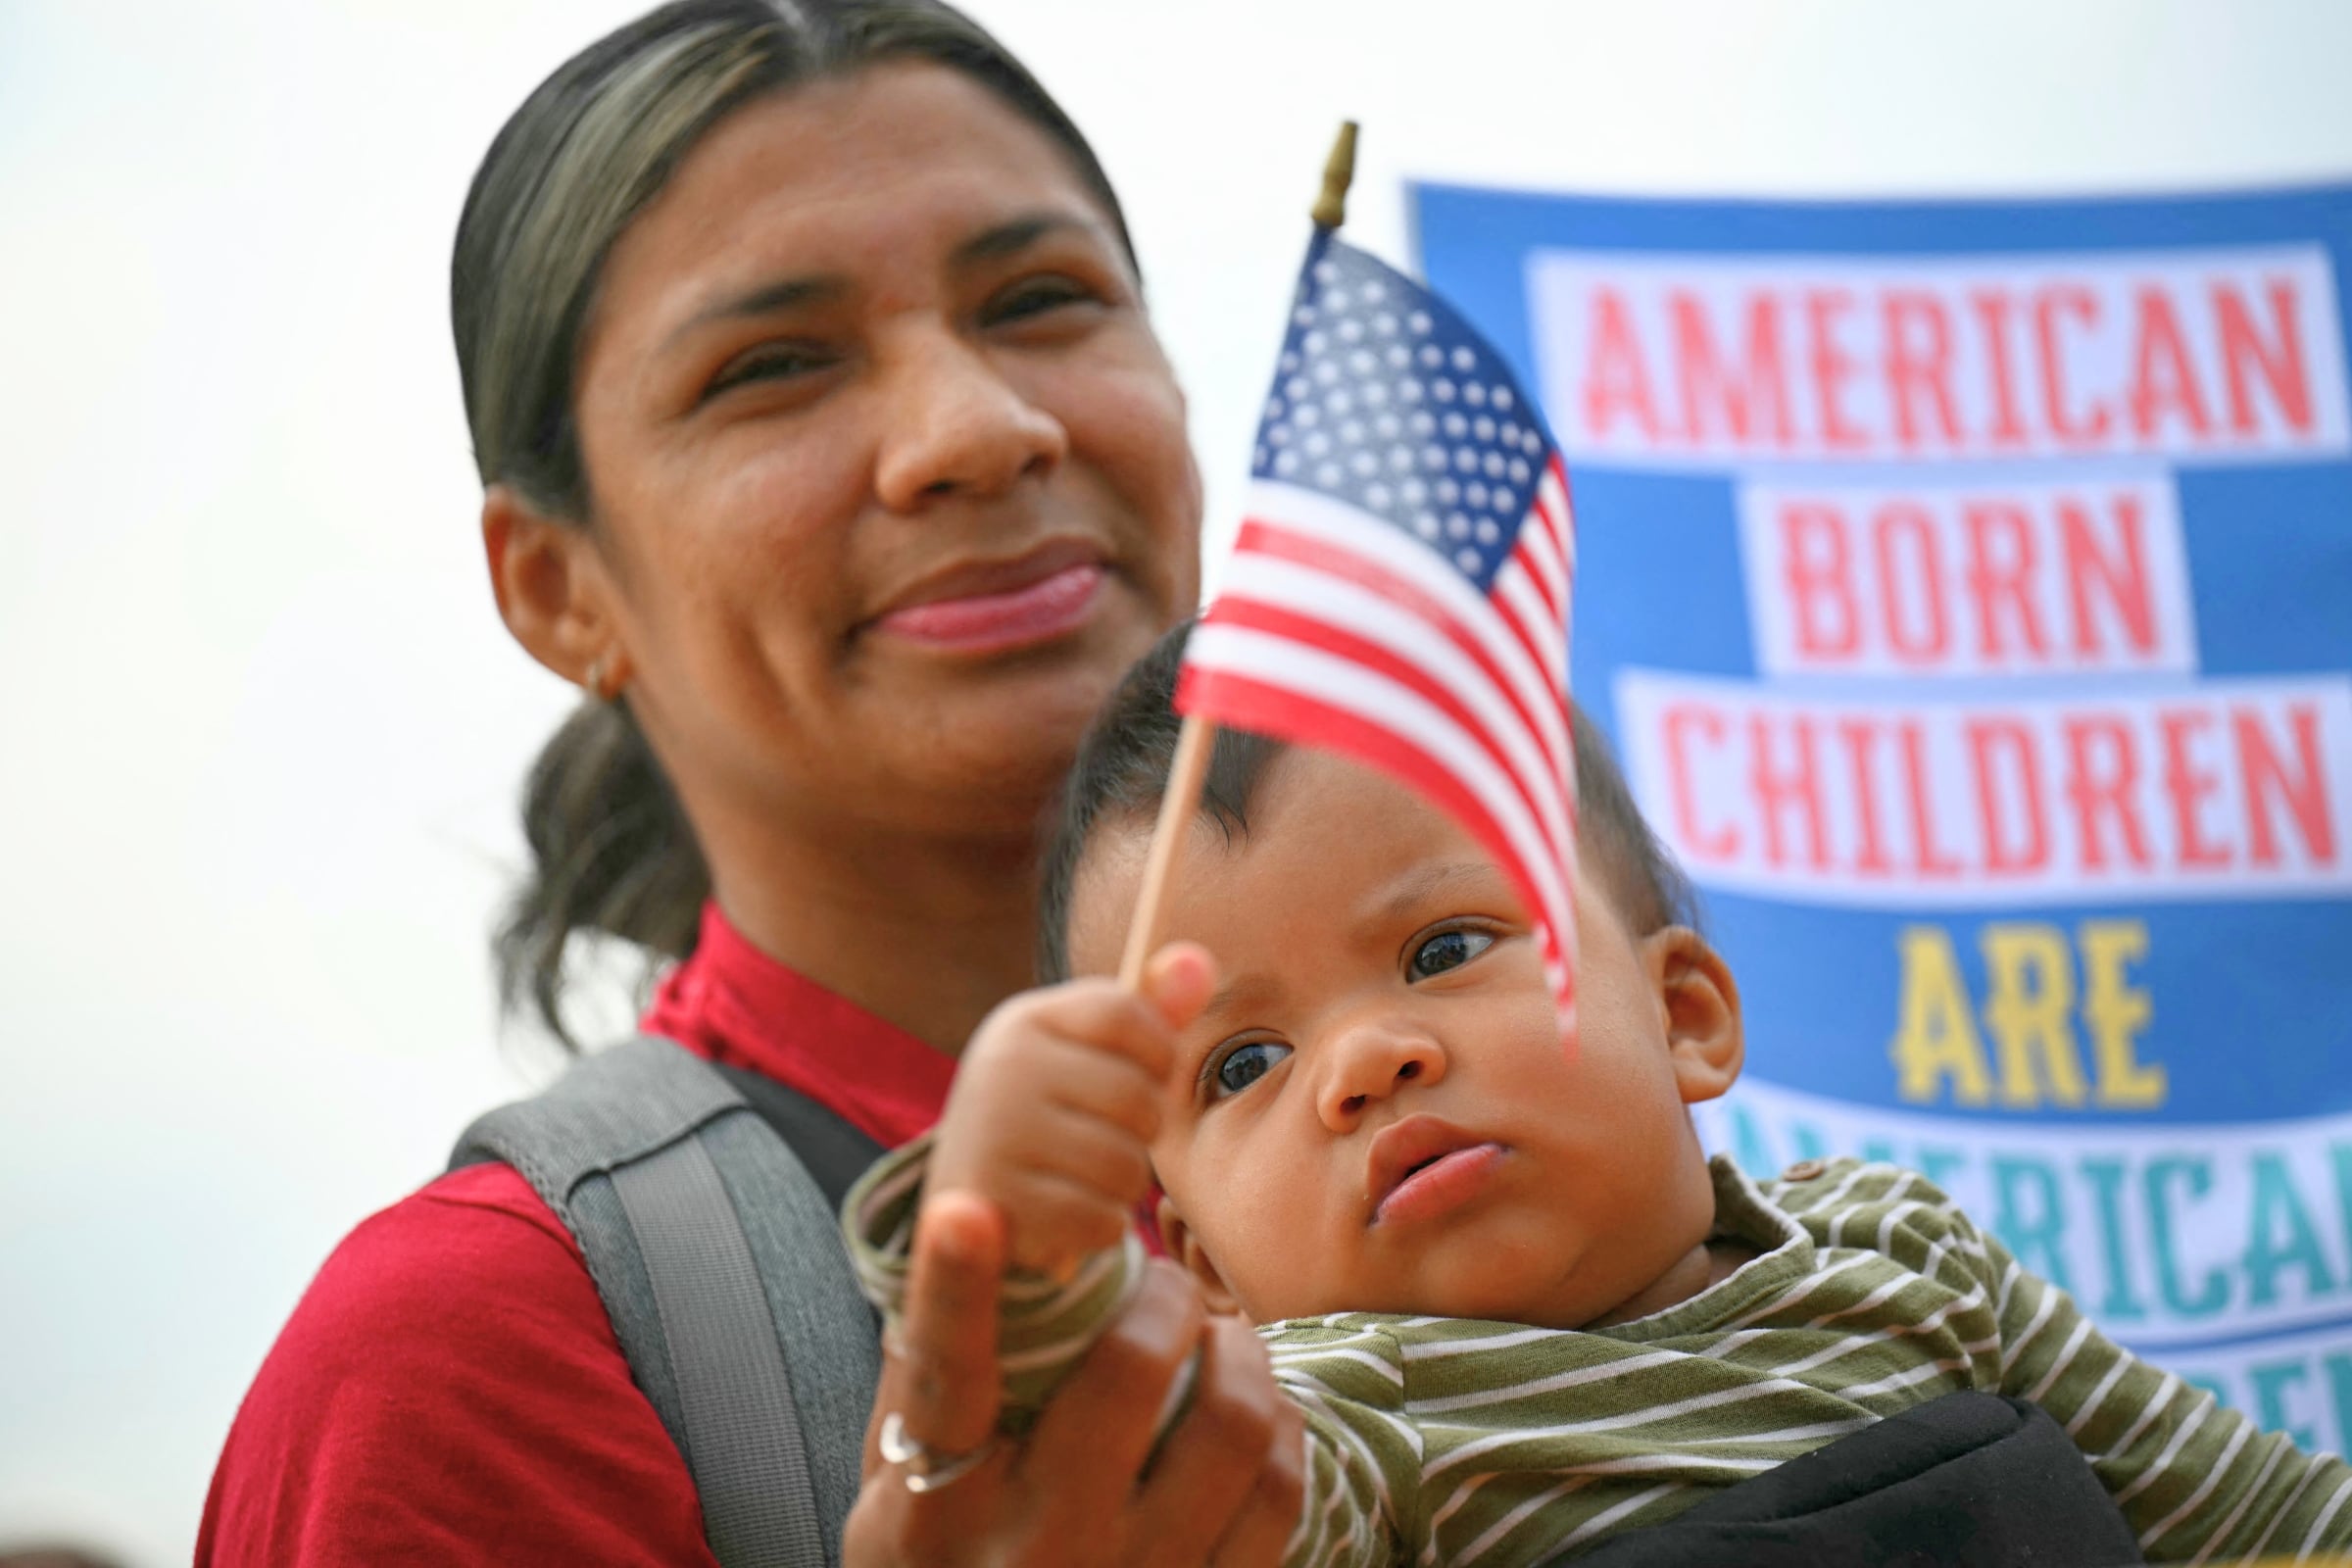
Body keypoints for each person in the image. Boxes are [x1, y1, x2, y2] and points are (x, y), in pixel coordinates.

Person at [197, 3, 1303, 1562]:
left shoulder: (1522, 1109)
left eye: (1043, 299)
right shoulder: (479, 1354)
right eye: (772, 367)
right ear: (557, 587)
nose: (980, 431)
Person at [847, 626, 2352, 1567]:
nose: (1367, 1063)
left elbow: (2266, 1526)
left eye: (1444, 948)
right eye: (1243, 1064)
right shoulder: (1353, 1420)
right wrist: (1004, 1247)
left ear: (1686, 1014)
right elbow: (1132, 1489)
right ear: (1203, 1263)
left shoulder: (1904, 1252)